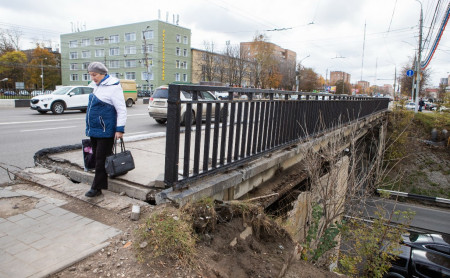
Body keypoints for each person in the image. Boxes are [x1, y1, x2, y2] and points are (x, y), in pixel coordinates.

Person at [84, 62, 127, 197]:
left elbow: (121, 109)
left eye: (95, 75)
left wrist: (119, 129)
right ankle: (112, 171)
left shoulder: (113, 87)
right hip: (95, 129)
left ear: (103, 74)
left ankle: (97, 188)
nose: (93, 77)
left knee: (100, 159)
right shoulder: (96, 86)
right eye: (91, 75)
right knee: (100, 158)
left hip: (106, 130)